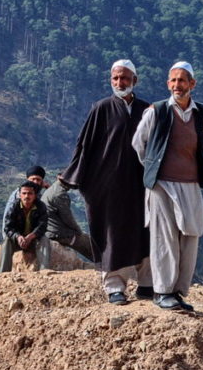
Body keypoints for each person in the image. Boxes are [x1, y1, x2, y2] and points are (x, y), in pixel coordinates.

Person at [63, 59, 151, 305]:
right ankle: (115, 287)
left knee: (146, 233)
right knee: (112, 235)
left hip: (141, 185)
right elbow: (84, 145)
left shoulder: (148, 110)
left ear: (135, 80)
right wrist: (75, 177)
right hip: (108, 186)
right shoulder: (100, 109)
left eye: (124, 78)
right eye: (115, 78)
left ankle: (147, 285)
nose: (119, 82)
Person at [132, 61, 203, 312]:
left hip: (190, 183)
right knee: (164, 237)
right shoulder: (157, 111)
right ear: (168, 84)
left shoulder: (202, 114)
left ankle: (177, 291)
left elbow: (201, 141)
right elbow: (138, 143)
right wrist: (154, 167)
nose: (177, 85)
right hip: (162, 184)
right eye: (173, 81)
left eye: (182, 80)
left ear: (192, 84)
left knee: (190, 236)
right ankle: (162, 291)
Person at [0, 181, 51, 273]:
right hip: (18, 240)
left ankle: (44, 271)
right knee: (7, 241)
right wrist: (17, 236)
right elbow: (8, 227)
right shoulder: (14, 207)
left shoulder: (41, 206)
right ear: (20, 194)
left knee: (44, 240)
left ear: (35, 195)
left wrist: (31, 236)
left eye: (30, 193)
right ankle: (3, 273)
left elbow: (42, 226)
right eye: (24, 193)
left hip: (33, 239)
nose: (27, 196)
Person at [41, 175, 95, 261]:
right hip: (59, 234)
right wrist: (78, 231)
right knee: (91, 246)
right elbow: (67, 218)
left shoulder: (52, 189)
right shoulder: (59, 193)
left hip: (51, 230)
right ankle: (105, 267)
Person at [0, 165, 48, 238]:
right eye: (33, 179)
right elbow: (7, 220)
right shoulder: (18, 195)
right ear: (27, 179)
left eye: (38, 180)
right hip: (16, 234)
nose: (35, 182)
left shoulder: (37, 194)